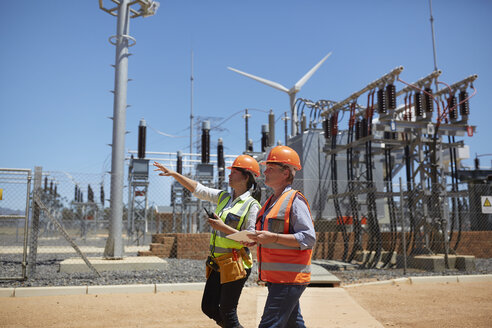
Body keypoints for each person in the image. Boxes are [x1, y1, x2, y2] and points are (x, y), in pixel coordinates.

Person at [153, 154, 261, 328]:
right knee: (209, 307)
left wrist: (222, 227)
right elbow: (199, 189)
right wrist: (174, 174)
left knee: (228, 311)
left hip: (236, 263)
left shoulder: (251, 205)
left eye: (234, 172)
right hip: (218, 262)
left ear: (246, 177)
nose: (229, 175)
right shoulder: (224, 197)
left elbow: (250, 239)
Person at [244, 145, 316, 328]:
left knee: (269, 325)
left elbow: (308, 238)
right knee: (294, 323)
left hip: (289, 278)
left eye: (270, 168)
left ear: (285, 173)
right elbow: (271, 235)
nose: (264, 172)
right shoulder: (271, 201)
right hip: (279, 278)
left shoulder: (295, 200)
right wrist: (256, 238)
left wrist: (273, 238)